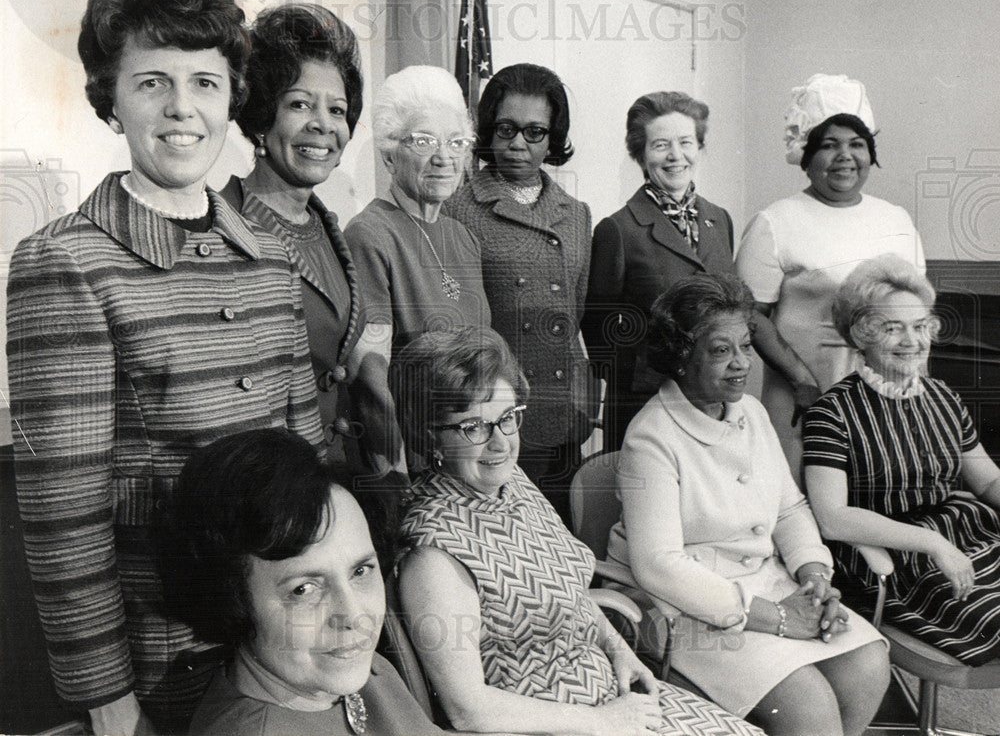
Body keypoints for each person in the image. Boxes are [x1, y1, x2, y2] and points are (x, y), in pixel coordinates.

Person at [5, 0, 323, 735]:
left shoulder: (275, 255)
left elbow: (306, 472)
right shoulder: (65, 261)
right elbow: (63, 520)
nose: (183, 109)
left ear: (231, 96)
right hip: (165, 663)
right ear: (110, 99)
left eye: (205, 83)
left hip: (279, 641)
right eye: (152, 83)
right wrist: (107, 697)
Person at [391, 327, 764, 736]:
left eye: (508, 419)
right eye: (473, 428)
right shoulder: (434, 554)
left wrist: (619, 650)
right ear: (431, 437)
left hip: (605, 693)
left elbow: (568, 592)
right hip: (547, 723)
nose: (500, 444)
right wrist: (602, 722)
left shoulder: (510, 482)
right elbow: (468, 710)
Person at [606, 273, 888, 735]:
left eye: (745, 346)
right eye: (721, 350)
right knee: (809, 703)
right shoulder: (650, 437)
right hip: (688, 608)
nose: (741, 364)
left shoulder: (752, 413)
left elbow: (789, 510)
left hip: (771, 584)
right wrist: (777, 618)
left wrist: (814, 579)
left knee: (869, 664)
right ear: (680, 355)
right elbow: (658, 565)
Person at [160, 428, 445, 736]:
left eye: (360, 571)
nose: (353, 616)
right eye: (304, 589)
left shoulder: (360, 671)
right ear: (231, 602)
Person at [584, 91, 819, 451]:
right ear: (640, 154)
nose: (675, 156)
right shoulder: (617, 229)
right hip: (647, 402)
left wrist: (799, 375)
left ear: (699, 147)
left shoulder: (718, 219)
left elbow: (740, 310)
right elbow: (599, 331)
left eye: (686, 142)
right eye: (661, 145)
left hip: (714, 400)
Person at [804, 254, 1000, 666]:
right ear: (862, 335)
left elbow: (987, 482)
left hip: (969, 536)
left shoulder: (944, 396)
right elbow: (832, 517)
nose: (911, 341)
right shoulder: (832, 412)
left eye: (919, 326)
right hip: (895, 559)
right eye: (892, 329)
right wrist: (933, 543)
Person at [736, 74, 925, 469]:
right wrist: (801, 379)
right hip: (808, 397)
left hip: (886, 396)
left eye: (856, 144)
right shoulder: (776, 222)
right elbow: (749, 316)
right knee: (810, 511)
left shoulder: (897, 220)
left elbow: (916, 315)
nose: (845, 156)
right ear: (806, 156)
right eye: (829, 145)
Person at [221, 3, 376, 464]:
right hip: (267, 486)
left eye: (337, 110)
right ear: (262, 118)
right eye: (299, 104)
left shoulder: (328, 227)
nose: (323, 125)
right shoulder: (224, 227)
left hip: (334, 470)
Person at [442, 63, 595, 522]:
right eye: (507, 128)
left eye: (534, 132)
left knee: (562, 539)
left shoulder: (577, 213)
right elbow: (459, 327)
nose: (517, 144)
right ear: (489, 128)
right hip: (497, 421)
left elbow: (577, 310)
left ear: (552, 139)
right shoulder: (459, 208)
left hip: (565, 413)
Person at [344, 66, 490, 473]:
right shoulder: (369, 234)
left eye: (456, 142)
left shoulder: (462, 237)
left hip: (474, 453)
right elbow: (371, 384)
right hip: (417, 461)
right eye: (424, 141)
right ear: (389, 153)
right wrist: (395, 484)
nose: (444, 157)